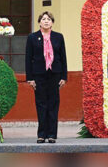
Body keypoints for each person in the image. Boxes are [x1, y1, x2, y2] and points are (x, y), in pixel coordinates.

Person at [25, 11, 67, 143]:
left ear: (52, 23)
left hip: (55, 74)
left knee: (53, 104)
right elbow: (28, 59)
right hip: (39, 75)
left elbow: (63, 58)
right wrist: (30, 78)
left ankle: (52, 135)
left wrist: (64, 76)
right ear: (39, 22)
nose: (46, 21)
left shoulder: (58, 37)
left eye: (49, 19)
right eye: (43, 19)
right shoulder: (32, 37)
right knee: (41, 104)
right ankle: (41, 134)